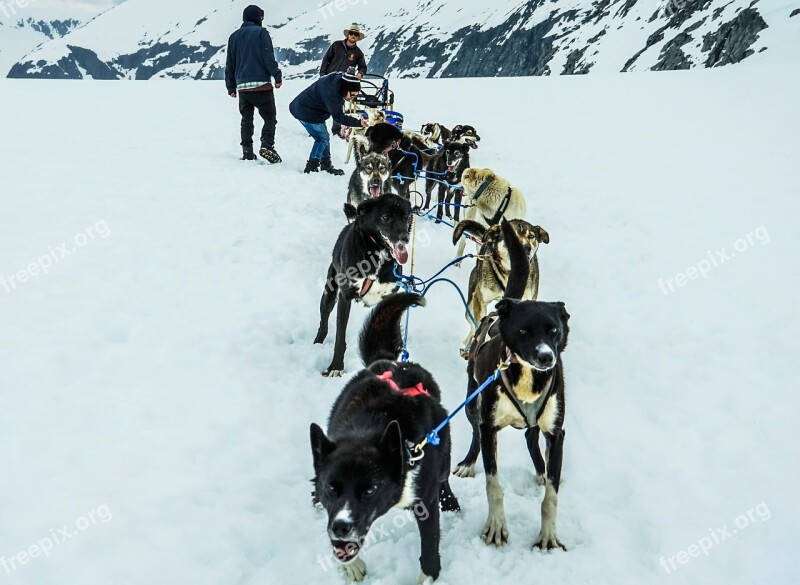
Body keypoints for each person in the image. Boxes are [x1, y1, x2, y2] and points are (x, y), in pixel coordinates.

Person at [225, 5, 283, 163]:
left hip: (243, 87)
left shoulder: (233, 36)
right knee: (270, 117)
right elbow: (268, 58)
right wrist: (277, 76)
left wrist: (230, 86)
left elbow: (230, 64)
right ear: (258, 18)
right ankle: (267, 145)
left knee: (246, 120)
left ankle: (247, 152)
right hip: (262, 85)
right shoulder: (261, 33)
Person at [289, 70, 368, 175]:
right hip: (305, 111)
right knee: (322, 138)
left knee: (324, 138)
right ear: (346, 89)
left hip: (315, 111)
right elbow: (338, 116)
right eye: (352, 95)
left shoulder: (339, 83)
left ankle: (326, 164)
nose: (352, 99)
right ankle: (311, 167)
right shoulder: (331, 93)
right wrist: (359, 123)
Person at [320, 24, 368, 138]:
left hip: (343, 83)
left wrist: (360, 73)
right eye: (351, 33)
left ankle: (336, 131)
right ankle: (318, 126)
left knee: (339, 106)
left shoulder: (358, 53)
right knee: (322, 103)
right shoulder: (336, 45)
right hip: (328, 79)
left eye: (356, 34)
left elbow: (363, 67)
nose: (353, 36)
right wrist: (322, 74)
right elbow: (326, 59)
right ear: (348, 34)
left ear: (357, 37)